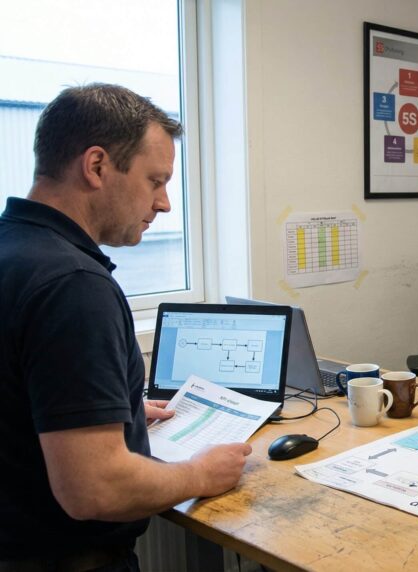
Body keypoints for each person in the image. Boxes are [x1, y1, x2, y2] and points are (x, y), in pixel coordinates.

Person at [0, 84, 252, 571]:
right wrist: (200, 474)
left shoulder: (14, 250)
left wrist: (112, 409)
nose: (164, 204)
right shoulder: (72, 284)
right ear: (96, 167)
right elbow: (94, 489)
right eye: (155, 180)